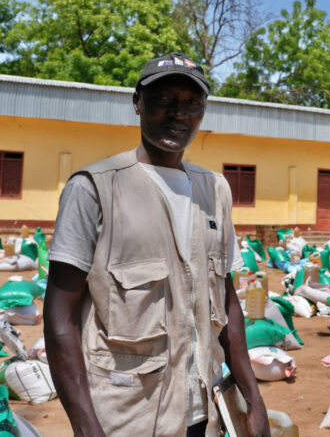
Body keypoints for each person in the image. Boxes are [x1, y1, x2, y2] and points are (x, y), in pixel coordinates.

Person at [43, 53, 270, 437]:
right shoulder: (94, 188)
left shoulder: (215, 190)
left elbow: (227, 298)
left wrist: (253, 395)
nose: (179, 113)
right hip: (127, 417)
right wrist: (85, 426)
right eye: (164, 99)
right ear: (138, 102)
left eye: (192, 102)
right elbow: (59, 316)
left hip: (205, 413)